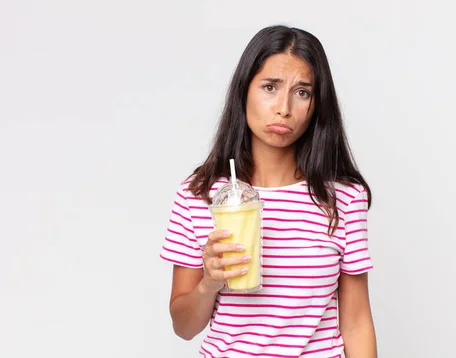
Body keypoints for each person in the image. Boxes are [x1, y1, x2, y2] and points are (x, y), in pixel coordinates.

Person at [161, 25, 377, 357]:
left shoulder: (343, 198)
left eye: (302, 92)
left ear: (317, 105)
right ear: (244, 91)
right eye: (270, 87)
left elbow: (357, 321)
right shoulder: (198, 194)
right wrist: (210, 282)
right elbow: (184, 327)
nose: (284, 107)